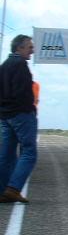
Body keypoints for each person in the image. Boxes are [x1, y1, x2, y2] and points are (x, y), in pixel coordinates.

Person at [0, 35, 38, 203]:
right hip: (21, 114)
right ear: (19, 48)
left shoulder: (4, 66)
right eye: (29, 47)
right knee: (29, 152)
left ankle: (2, 191)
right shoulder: (20, 64)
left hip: (5, 116)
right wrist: (30, 110)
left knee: (7, 154)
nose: (32, 50)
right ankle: (14, 189)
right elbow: (22, 93)